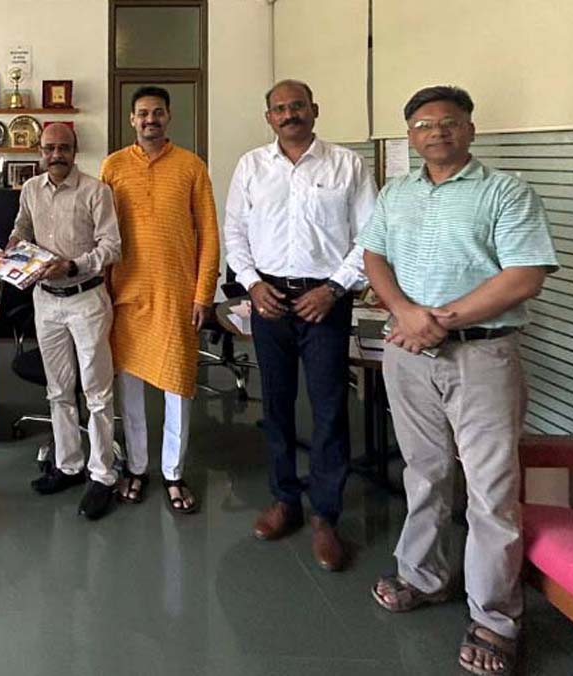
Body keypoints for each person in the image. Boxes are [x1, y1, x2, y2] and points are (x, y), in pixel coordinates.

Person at [359, 85, 558, 676]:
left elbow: (525, 275)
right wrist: (403, 312)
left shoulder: (506, 192)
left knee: (491, 490)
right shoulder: (397, 192)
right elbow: (374, 256)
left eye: (448, 122)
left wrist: (437, 321)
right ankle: (424, 575)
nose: (436, 133)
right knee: (424, 472)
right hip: (408, 353)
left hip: (482, 355)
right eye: (422, 125)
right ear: (411, 136)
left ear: (470, 128)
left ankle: (496, 617)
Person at [223, 80, 376, 571]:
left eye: (297, 107)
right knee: (277, 403)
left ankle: (326, 515)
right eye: (280, 109)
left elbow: (372, 234)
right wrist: (250, 284)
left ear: (315, 110)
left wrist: (334, 288)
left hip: (326, 300)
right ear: (268, 117)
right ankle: (285, 499)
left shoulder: (347, 165)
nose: (289, 115)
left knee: (330, 407)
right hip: (269, 299)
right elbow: (235, 231)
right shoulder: (251, 166)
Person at [99, 85, 220, 514]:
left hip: (176, 295)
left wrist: (204, 292)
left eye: (158, 113)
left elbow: (208, 234)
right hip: (125, 296)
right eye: (143, 113)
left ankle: (173, 472)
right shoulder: (113, 167)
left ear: (169, 117)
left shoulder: (191, 166)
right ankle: (136, 466)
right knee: (127, 389)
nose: (150, 119)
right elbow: (101, 232)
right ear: (132, 119)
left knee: (177, 387)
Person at [9, 123, 122, 520]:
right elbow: (21, 229)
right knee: (58, 390)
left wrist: (73, 264)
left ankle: (103, 474)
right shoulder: (30, 189)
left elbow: (112, 246)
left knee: (96, 392)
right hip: (45, 301)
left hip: (86, 298)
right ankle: (70, 465)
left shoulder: (95, 191)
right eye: (49, 148)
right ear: (40, 151)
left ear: (75, 150)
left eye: (64, 148)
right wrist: (13, 248)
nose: (56, 155)